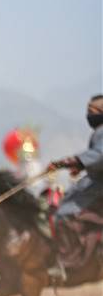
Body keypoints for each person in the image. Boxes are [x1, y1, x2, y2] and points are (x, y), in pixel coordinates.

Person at [46, 95, 103, 279]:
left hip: (98, 186)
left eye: (92, 112)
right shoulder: (99, 132)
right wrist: (77, 165)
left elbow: (98, 155)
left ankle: (69, 261)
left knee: (63, 213)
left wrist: (70, 162)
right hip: (93, 182)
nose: (88, 115)